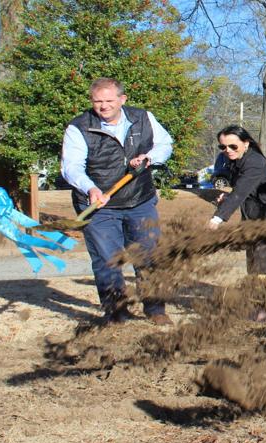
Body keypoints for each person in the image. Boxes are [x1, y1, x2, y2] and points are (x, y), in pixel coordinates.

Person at [59, 77, 175, 326]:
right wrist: (90, 188)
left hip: (140, 200)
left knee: (149, 256)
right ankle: (117, 312)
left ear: (122, 99)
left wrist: (149, 157)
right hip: (99, 206)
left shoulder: (143, 118)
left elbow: (165, 144)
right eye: (98, 101)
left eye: (109, 100)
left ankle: (155, 309)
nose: (104, 106)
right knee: (107, 260)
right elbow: (71, 167)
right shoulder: (79, 127)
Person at [206, 125, 266, 322]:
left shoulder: (255, 162)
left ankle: (265, 309)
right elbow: (239, 190)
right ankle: (258, 305)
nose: (227, 151)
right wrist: (226, 197)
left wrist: (218, 218)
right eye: (223, 147)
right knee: (252, 263)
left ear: (246, 143)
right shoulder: (232, 160)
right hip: (250, 216)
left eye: (233, 146)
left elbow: (240, 191)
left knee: (263, 263)